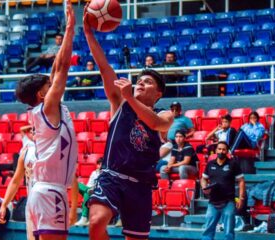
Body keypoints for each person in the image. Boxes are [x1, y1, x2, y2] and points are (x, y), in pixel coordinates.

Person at [83, 6, 174, 239]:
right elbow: (104, 68)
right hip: (111, 175)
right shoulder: (120, 102)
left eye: (148, 82)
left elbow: (155, 124)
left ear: (159, 94)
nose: (141, 83)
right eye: (139, 80)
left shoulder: (165, 114)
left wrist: (131, 97)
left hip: (140, 185)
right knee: (96, 222)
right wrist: (88, 34)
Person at [15, 2, 78, 239]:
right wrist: (71, 29)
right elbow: (61, 68)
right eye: (48, 87)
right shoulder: (47, 108)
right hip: (51, 190)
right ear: (42, 95)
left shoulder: (44, 108)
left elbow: (55, 70)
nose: (53, 85)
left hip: (46, 190)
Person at [0, 123, 37, 240]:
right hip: (32, 204)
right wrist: (4, 204)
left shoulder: (55, 148)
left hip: (51, 203)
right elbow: (15, 181)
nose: (35, 132)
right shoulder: (27, 149)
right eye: (33, 130)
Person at [201, 141, 246, 240]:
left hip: (228, 202)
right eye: (219, 149)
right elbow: (204, 178)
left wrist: (241, 198)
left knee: (229, 231)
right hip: (213, 202)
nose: (221, 151)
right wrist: (204, 188)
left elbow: (241, 181)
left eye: (224, 149)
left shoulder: (233, 164)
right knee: (208, 230)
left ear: (227, 151)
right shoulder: (210, 164)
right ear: (216, 150)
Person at [75, 157, 103, 226]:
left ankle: (84, 218)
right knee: (77, 184)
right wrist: (87, 189)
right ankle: (87, 191)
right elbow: (89, 184)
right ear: (97, 165)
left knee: (87, 193)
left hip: (98, 192)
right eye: (99, 164)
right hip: (90, 190)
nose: (100, 166)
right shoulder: (94, 173)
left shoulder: (105, 174)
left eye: (101, 164)